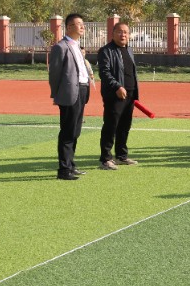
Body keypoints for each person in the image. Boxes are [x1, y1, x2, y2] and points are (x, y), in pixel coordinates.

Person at [49, 13, 91, 180]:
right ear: (69, 27)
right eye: (78, 24)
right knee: (67, 131)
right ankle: (64, 170)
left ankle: (71, 165)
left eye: (82, 24)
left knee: (75, 131)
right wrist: (57, 95)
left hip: (82, 90)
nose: (82, 27)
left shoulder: (77, 47)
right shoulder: (61, 47)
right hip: (69, 94)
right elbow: (54, 74)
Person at [97, 22, 140, 170]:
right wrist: (117, 86)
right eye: (120, 32)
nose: (123, 35)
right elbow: (104, 72)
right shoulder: (106, 51)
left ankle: (121, 156)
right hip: (114, 94)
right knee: (111, 126)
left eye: (126, 32)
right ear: (113, 33)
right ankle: (106, 159)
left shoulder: (129, 49)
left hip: (130, 93)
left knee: (124, 126)